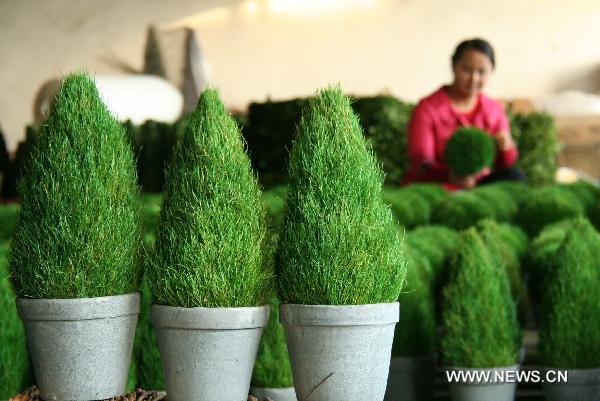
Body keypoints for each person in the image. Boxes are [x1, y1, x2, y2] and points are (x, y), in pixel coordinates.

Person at [403, 38, 523, 190]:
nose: (474, 78)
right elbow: (421, 163)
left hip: (481, 185)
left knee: (515, 177)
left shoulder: (493, 109)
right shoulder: (428, 108)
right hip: (438, 185)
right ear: (453, 67)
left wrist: (506, 147)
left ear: (491, 72)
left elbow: (506, 163)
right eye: (466, 69)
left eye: (481, 72)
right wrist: (451, 177)